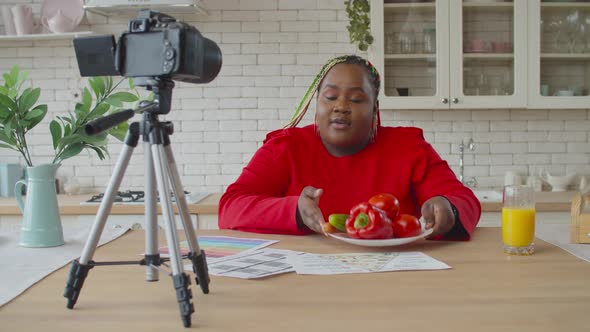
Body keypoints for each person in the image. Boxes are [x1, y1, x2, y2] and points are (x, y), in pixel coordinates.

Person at [218, 55, 480, 240]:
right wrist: (294, 210)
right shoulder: (286, 147)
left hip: (397, 282)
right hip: (304, 283)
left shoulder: (409, 148)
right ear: (316, 104)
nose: (340, 106)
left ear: (375, 110)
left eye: (356, 99)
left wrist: (447, 206)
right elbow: (230, 207)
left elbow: (465, 201)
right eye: (330, 97)